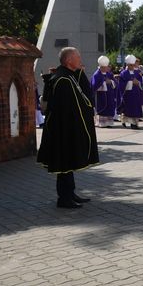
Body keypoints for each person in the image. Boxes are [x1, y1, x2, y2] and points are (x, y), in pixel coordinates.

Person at [37, 47, 99, 208]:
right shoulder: (63, 79)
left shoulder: (68, 76)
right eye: (78, 57)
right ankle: (64, 199)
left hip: (65, 129)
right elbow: (72, 106)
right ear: (69, 60)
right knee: (63, 164)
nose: (80, 60)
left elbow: (83, 92)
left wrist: (80, 72)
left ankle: (70, 193)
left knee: (67, 163)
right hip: (62, 131)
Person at [118, 54, 143, 129]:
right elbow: (121, 84)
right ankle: (131, 123)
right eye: (131, 65)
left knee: (136, 109)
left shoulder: (137, 72)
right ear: (127, 64)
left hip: (136, 94)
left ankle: (135, 123)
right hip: (128, 95)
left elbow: (141, 81)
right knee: (129, 110)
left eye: (133, 65)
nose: (132, 67)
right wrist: (130, 82)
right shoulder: (123, 73)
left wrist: (138, 82)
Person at [90, 55, 117, 128]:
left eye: (107, 67)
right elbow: (94, 86)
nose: (106, 68)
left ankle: (109, 123)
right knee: (103, 109)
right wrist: (104, 83)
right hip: (101, 96)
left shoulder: (109, 74)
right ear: (101, 67)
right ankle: (101, 123)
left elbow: (115, 82)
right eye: (104, 67)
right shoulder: (96, 74)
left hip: (109, 95)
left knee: (109, 108)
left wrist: (111, 81)